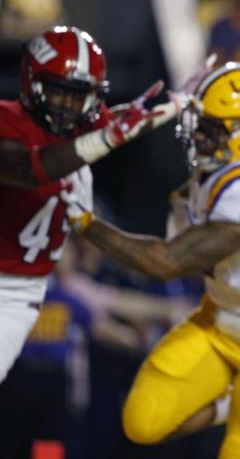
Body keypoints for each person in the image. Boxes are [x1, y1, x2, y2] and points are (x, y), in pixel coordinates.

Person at [62, 62, 240, 459]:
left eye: (212, 127)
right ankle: (234, 403)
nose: (199, 135)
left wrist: (85, 223)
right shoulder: (237, 150)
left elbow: (166, 261)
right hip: (219, 315)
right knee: (142, 423)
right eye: (200, 123)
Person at [0, 26, 174, 384]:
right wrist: (109, 136)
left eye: (78, 95)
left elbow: (118, 124)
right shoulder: (8, 120)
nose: (67, 105)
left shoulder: (86, 136)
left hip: (21, 294)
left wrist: (177, 104)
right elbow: (31, 169)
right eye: (58, 91)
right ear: (31, 81)